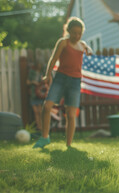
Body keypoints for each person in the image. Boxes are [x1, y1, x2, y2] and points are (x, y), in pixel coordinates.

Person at [33, 17, 93, 148]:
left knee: (71, 115)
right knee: (47, 107)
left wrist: (88, 48)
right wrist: (48, 75)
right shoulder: (63, 43)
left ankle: (69, 145)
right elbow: (53, 59)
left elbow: (88, 49)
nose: (77, 35)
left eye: (79, 33)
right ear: (68, 31)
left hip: (75, 82)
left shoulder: (82, 45)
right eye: (74, 32)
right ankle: (44, 137)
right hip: (60, 79)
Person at [27, 62, 46, 131]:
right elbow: (28, 82)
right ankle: (38, 127)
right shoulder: (32, 73)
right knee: (36, 111)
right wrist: (33, 82)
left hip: (40, 94)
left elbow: (46, 81)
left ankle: (42, 126)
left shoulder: (42, 73)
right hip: (33, 94)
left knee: (41, 111)